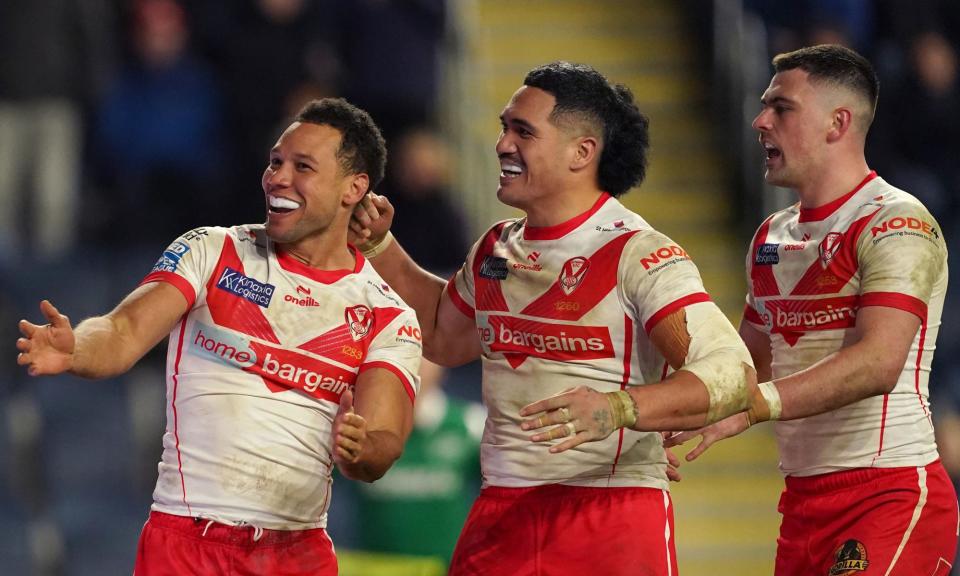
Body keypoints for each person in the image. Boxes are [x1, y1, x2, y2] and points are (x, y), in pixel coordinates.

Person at [350, 61, 757, 576]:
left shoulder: (640, 253)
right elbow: (441, 336)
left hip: (610, 515)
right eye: (503, 127)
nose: (502, 144)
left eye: (523, 131)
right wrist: (381, 248)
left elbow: (733, 374)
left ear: (581, 152)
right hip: (503, 515)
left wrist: (618, 409)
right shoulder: (495, 248)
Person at [16, 97, 422, 575]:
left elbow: (383, 437)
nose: (278, 178)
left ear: (354, 188)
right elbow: (122, 331)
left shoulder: (387, 312)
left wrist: (363, 448)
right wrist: (78, 347)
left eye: (302, 166)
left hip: (297, 554)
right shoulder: (212, 250)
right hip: (186, 544)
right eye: (275, 161)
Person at [666, 44, 959, 575]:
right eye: (764, 106)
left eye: (782, 108)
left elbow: (879, 364)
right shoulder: (772, 236)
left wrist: (756, 403)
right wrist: (655, 411)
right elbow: (746, 365)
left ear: (837, 123)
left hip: (887, 492)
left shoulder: (896, 222)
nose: (760, 121)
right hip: (802, 501)